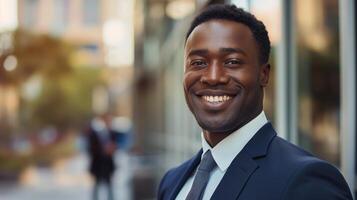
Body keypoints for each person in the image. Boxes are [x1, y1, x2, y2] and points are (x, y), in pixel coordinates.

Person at [158, 4, 352, 200]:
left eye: (232, 62)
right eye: (198, 63)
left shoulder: (308, 182)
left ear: (264, 74)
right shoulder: (172, 182)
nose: (213, 77)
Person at [87, 114, 117, 200]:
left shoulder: (112, 132)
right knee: (97, 185)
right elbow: (91, 148)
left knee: (109, 185)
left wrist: (112, 149)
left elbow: (115, 146)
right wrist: (103, 150)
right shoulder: (94, 133)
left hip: (108, 164)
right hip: (98, 164)